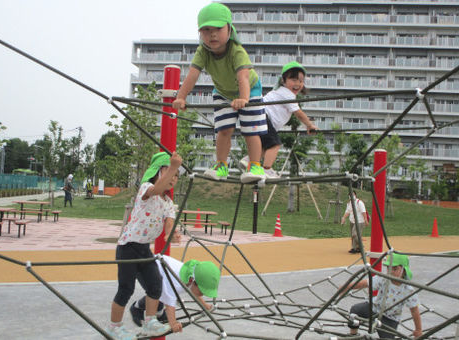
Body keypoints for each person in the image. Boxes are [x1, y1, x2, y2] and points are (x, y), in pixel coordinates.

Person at [172, 2, 267, 184]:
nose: (212, 34)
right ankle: (221, 165)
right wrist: (180, 97)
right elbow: (192, 75)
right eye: (206, 30)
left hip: (250, 91)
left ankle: (255, 165)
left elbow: (243, 78)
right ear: (200, 33)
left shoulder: (236, 50)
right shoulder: (203, 51)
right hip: (223, 92)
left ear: (229, 29)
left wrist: (244, 99)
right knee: (223, 130)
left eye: (217, 28)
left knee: (250, 130)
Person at [106, 151, 182, 340]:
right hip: (128, 247)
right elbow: (156, 189)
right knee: (126, 288)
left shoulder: (169, 203)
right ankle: (114, 327)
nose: (174, 178)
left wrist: (172, 235)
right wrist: (173, 166)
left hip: (143, 249)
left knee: (156, 284)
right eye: (170, 173)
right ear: (157, 171)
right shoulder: (146, 188)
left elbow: (169, 225)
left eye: (177, 176)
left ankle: (150, 322)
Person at [239, 61, 318, 178]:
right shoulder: (287, 94)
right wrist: (309, 125)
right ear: (283, 81)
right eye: (294, 80)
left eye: (301, 81)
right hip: (263, 117)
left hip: (257, 117)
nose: (298, 84)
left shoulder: (280, 92)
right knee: (274, 145)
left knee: (265, 146)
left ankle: (248, 160)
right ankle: (267, 169)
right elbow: (299, 113)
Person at [130, 256, 221, 333]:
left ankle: (159, 313)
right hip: (145, 271)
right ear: (192, 281)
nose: (202, 294)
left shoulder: (192, 275)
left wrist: (204, 305)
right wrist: (173, 323)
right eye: (202, 291)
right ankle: (136, 308)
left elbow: (195, 292)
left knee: (161, 293)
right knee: (156, 294)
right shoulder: (177, 283)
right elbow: (169, 303)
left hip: (159, 271)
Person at [343, 253, 422, 338]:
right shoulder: (383, 278)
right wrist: (347, 287)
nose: (391, 272)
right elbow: (365, 283)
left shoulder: (408, 289)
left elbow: (414, 310)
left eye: (395, 269)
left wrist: (418, 329)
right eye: (389, 268)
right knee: (355, 309)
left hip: (390, 318)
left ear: (404, 270)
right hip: (374, 308)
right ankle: (353, 334)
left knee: (387, 338)